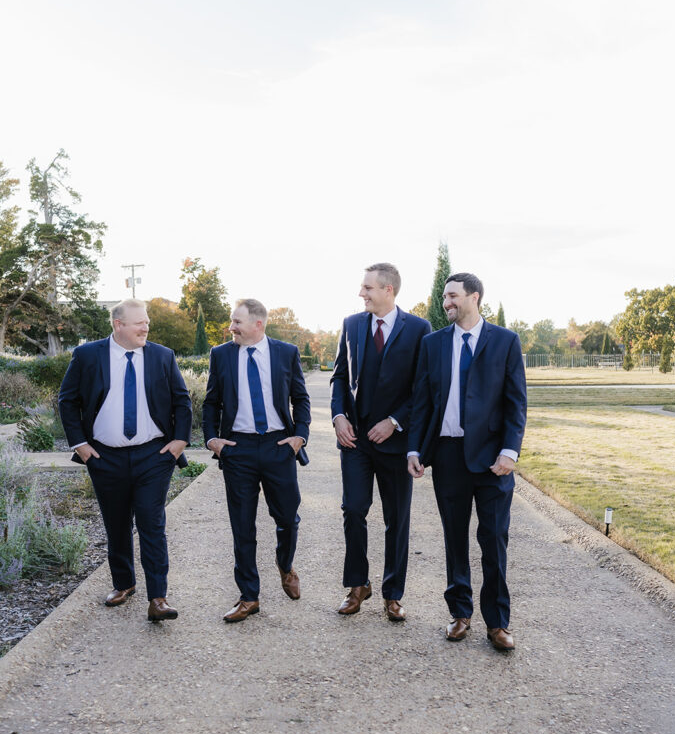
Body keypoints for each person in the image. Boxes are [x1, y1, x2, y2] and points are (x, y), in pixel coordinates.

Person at [407, 272, 526, 650]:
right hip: (448, 457)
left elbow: (515, 402)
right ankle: (460, 614)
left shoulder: (505, 342)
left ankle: (498, 623)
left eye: (454, 296)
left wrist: (510, 451)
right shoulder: (433, 344)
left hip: (493, 461)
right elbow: (422, 402)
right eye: (445, 297)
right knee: (454, 540)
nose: (447, 303)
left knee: (493, 541)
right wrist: (414, 449)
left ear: (475, 297)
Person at [59, 298, 192, 622]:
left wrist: (179, 441)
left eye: (146, 322)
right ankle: (123, 584)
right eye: (138, 323)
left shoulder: (162, 356)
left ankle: (158, 597)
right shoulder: (88, 356)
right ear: (119, 325)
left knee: (151, 522)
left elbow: (182, 400)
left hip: (153, 456)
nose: (145, 327)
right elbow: (67, 399)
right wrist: (82, 446)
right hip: (105, 457)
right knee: (116, 523)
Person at [331, 262, 431, 621]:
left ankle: (393, 593)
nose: (362, 294)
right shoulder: (352, 325)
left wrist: (394, 422)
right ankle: (358, 585)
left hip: (396, 443)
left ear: (388, 290)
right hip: (355, 441)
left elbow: (423, 388)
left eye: (368, 288)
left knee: (396, 520)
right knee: (354, 510)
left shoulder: (419, 329)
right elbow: (340, 378)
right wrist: (339, 417)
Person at [202, 299, 311, 622]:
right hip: (238, 448)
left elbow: (300, 398)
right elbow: (211, 403)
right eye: (232, 322)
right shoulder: (220, 355)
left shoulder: (285, 353)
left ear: (258, 324)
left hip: (279, 446)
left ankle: (285, 564)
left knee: (288, 518)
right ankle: (249, 596)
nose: (231, 327)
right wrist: (213, 440)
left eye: (236, 322)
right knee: (242, 525)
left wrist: (299, 436)